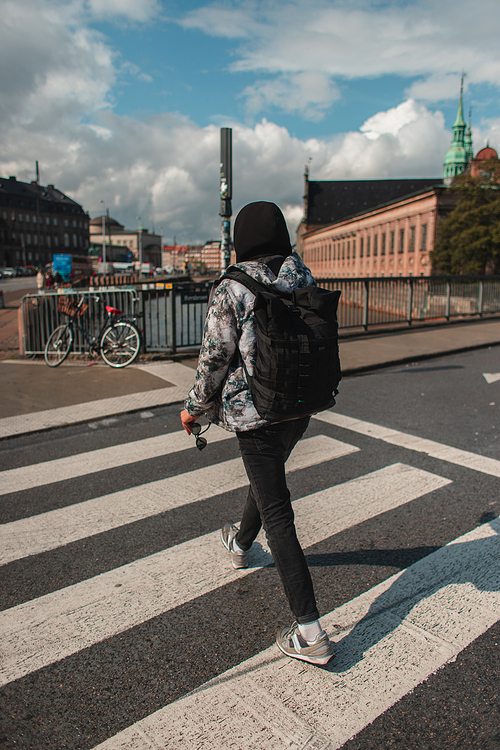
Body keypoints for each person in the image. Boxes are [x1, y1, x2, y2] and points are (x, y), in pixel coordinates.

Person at [180, 201, 334, 666]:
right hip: (300, 405)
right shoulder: (301, 276)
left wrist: (194, 410)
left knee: (278, 512)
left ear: (242, 238)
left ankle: (310, 633)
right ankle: (241, 544)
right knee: (266, 484)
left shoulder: (233, 286)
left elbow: (214, 358)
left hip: (256, 413)